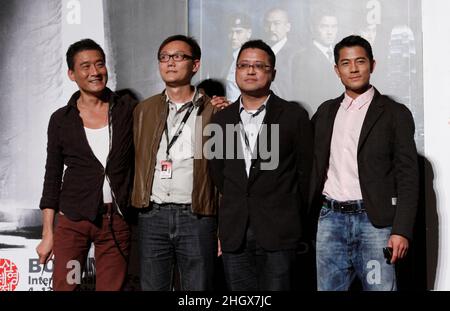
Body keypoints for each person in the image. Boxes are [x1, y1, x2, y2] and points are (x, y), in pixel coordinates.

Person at [309, 35, 419, 291]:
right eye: (346, 63)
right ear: (337, 70)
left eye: (360, 61)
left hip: (375, 223)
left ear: (372, 64)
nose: (354, 68)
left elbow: (408, 176)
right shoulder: (325, 112)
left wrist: (401, 230)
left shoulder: (395, 113)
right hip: (330, 220)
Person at [209, 39, 313, 290]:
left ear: (273, 73)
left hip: (280, 231)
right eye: (244, 65)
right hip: (235, 233)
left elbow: (305, 174)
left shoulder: (293, 116)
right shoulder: (221, 120)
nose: (251, 71)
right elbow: (219, 175)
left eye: (259, 66)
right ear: (235, 72)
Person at [36, 39, 135, 291]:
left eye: (100, 64)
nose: (95, 72)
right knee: (67, 286)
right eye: (86, 66)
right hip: (73, 225)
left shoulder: (128, 110)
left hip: (116, 222)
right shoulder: (61, 120)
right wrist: (48, 233)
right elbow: (52, 177)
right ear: (72, 74)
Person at [131, 35, 218, 291]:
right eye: (164, 57)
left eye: (178, 56)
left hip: (196, 214)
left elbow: (224, 171)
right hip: (152, 213)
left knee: (198, 289)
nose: (170, 62)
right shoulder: (144, 110)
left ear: (195, 65)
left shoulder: (214, 110)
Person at [293, 11, 342, 116]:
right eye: (324, 27)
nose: (330, 32)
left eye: (334, 27)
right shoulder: (302, 57)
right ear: (313, 28)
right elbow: (302, 94)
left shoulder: (341, 53)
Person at [263, 8, 297, 100]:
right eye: (268, 24)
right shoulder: (260, 52)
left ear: (288, 27)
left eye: (276, 24)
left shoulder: (296, 55)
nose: (271, 28)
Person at [224, 13, 253, 102]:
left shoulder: (253, 60)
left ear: (249, 33)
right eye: (231, 32)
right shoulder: (228, 59)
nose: (233, 37)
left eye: (239, 32)